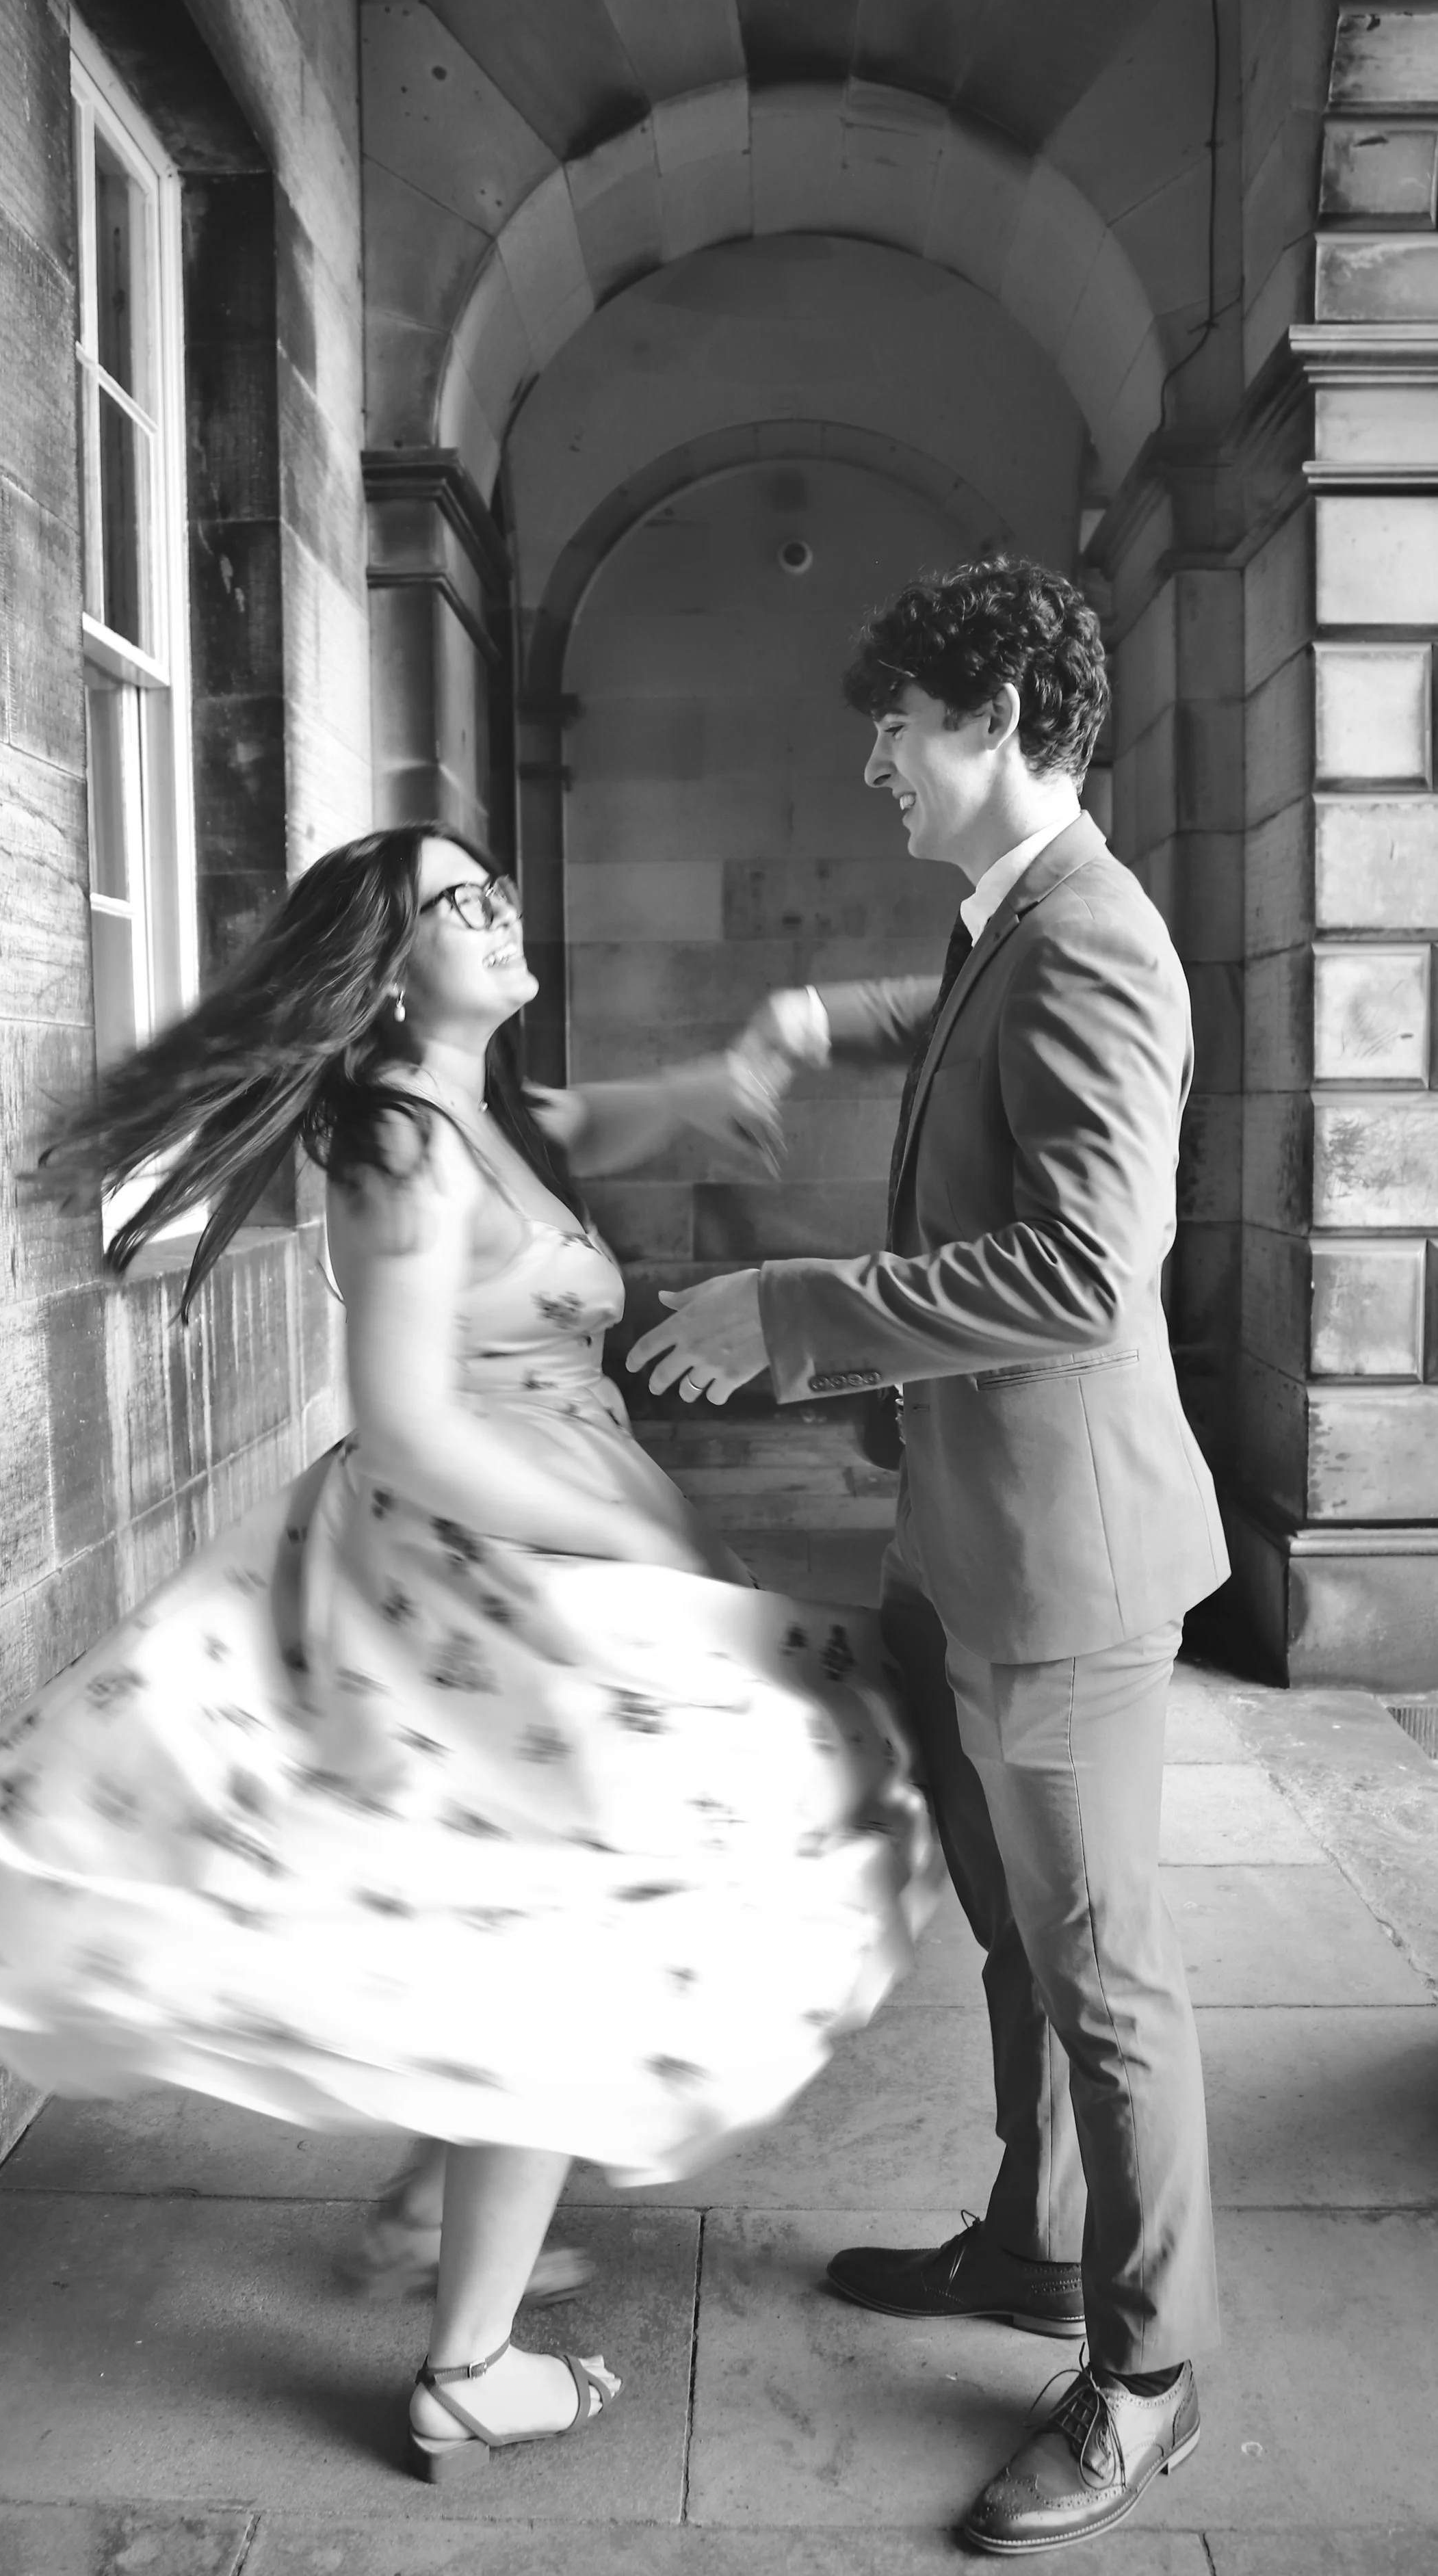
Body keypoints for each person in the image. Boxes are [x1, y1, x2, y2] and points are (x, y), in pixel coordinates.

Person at [0, 822, 937, 2487]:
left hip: (550, 1526)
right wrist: (625, 1541)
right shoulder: (394, 1143)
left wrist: (748, 1064)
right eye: (460, 901)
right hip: (488, 1557)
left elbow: (600, 1135)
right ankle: (467, 2366)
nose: (500, 907)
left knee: (552, 1882)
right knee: (605, 1912)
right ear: (392, 967)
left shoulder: (479, 1112)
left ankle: (433, 2191)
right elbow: (402, 1423)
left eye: (494, 883)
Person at [629, 557, 1229, 2558]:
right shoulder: (1011, 917)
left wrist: (787, 1308)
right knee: (1009, 1939)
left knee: (1103, 1979)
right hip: (961, 1543)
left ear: (994, 722)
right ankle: (1026, 2246)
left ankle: (1144, 2370)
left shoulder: (1095, 944)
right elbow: (949, 1007)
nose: (871, 762)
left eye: (896, 727)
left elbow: (1077, 1269)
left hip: (1063, 1569)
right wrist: (803, 1013)